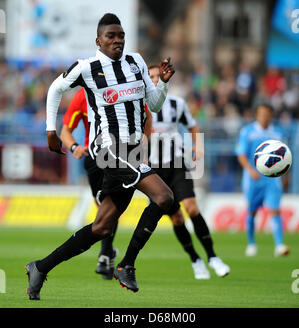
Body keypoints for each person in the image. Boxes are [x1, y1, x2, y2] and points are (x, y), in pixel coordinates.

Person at [25, 13, 175, 299]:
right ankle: (127, 265)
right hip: (107, 149)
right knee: (164, 197)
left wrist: (163, 83)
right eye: (111, 36)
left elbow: (153, 105)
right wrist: (50, 130)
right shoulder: (87, 68)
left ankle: (40, 267)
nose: (117, 40)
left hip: (131, 152)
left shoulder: (137, 62)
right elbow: (55, 89)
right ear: (98, 40)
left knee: (102, 226)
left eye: (121, 36)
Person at [147, 65, 230, 279]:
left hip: (176, 163)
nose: (156, 80)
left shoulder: (177, 103)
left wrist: (197, 145)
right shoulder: (141, 105)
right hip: (155, 170)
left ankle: (213, 256)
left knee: (192, 208)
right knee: (176, 218)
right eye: (152, 77)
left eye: (158, 76)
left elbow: (192, 126)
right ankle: (195, 259)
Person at [60, 87, 152, 279]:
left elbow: (146, 114)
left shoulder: (121, 89)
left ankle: (105, 254)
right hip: (94, 156)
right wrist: (74, 146)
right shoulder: (81, 96)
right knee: (104, 208)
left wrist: (142, 148)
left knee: (110, 205)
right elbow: (65, 131)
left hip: (120, 154)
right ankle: (107, 252)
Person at [236, 103, 290, 257]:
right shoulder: (248, 131)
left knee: (275, 210)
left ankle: (279, 245)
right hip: (253, 178)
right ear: (257, 115)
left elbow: (285, 157)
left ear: (271, 115)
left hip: (272, 179)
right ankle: (251, 243)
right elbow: (241, 154)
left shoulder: (278, 133)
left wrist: (286, 175)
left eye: (267, 114)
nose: (264, 117)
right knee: (252, 211)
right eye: (261, 114)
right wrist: (249, 169)